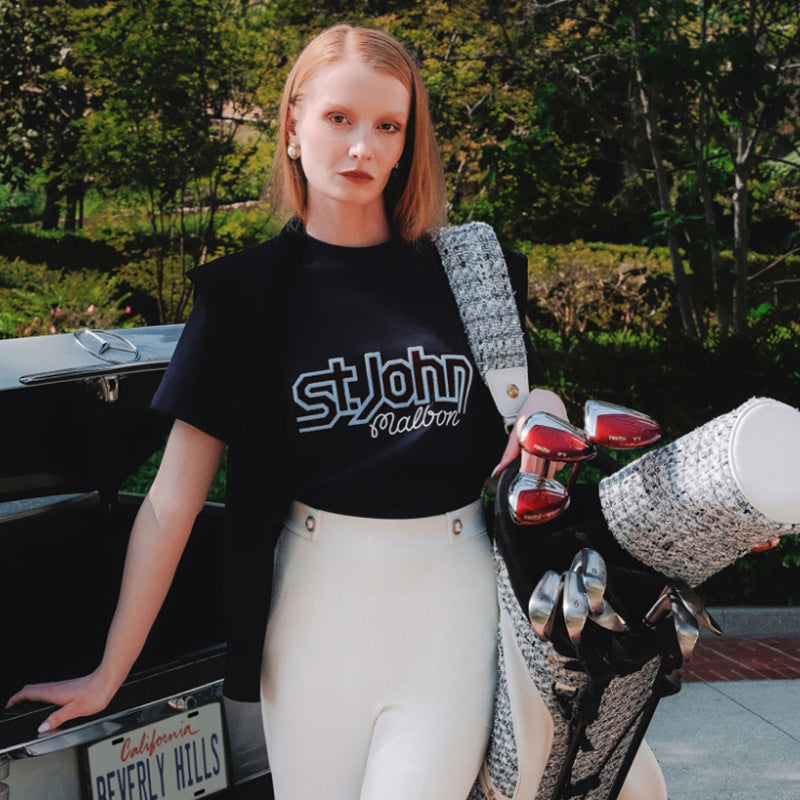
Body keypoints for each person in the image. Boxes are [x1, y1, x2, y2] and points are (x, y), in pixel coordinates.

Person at [7, 24, 666, 800]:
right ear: (292, 125)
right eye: (339, 120)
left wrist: (542, 409)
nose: (363, 148)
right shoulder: (241, 296)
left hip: (446, 600)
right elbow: (170, 503)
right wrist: (108, 673)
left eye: (388, 126)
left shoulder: (470, 267)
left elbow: (524, 398)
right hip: (310, 611)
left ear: (408, 142)